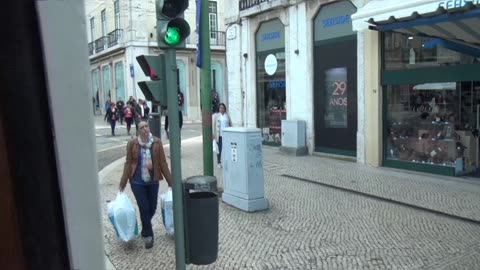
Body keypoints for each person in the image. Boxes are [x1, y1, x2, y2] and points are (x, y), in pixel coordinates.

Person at [119, 121, 172, 249]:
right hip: (137, 182)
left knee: (152, 207)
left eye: (146, 126)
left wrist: (171, 181)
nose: (145, 129)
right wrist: (123, 183)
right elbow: (128, 163)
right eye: (141, 127)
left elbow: (163, 163)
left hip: (153, 181)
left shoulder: (157, 143)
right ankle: (149, 235)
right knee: (144, 207)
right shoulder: (132, 144)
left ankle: (144, 228)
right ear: (138, 131)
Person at [212, 103, 232, 168]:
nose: (221, 109)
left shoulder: (227, 116)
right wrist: (213, 134)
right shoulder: (217, 116)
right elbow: (214, 126)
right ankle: (219, 162)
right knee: (219, 149)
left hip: (226, 135)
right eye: (220, 108)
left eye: (223, 108)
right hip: (219, 135)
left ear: (225, 108)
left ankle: (227, 161)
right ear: (219, 108)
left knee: (227, 149)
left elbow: (230, 124)